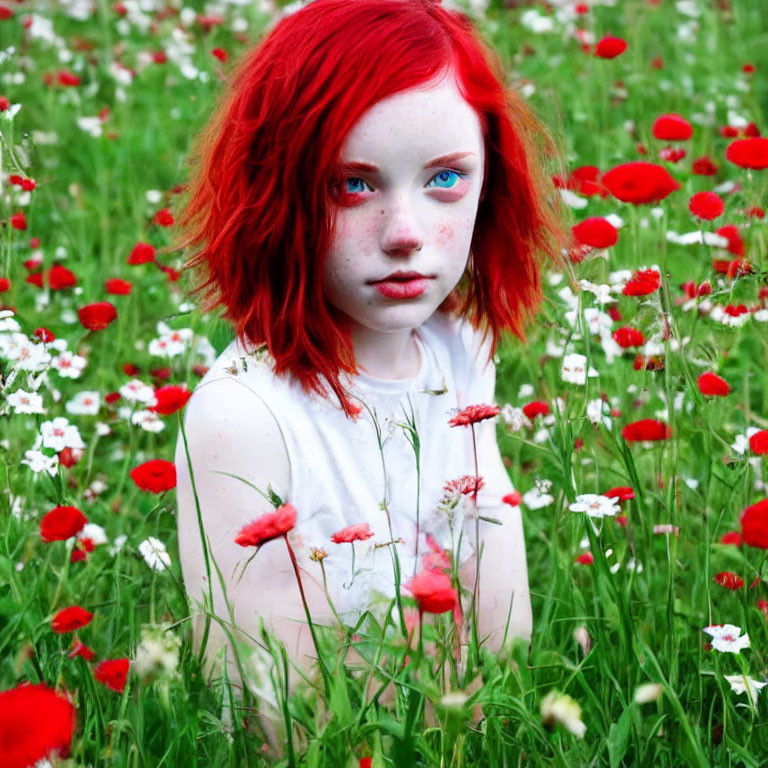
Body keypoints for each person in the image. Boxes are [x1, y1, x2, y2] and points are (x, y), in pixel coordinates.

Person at [171, 0, 565, 753]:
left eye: (445, 178)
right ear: (275, 191)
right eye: (353, 185)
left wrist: (499, 724)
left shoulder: (459, 349)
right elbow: (276, 703)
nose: (406, 232)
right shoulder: (246, 416)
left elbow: (493, 563)